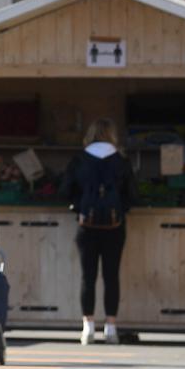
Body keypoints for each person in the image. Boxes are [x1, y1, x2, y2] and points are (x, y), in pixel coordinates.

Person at [59, 118, 140, 345]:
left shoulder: (80, 160)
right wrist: (120, 211)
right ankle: (111, 328)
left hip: (87, 226)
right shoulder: (121, 160)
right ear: (111, 135)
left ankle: (88, 328)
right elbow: (132, 195)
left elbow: (65, 191)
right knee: (111, 276)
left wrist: (79, 207)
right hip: (115, 227)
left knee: (88, 276)